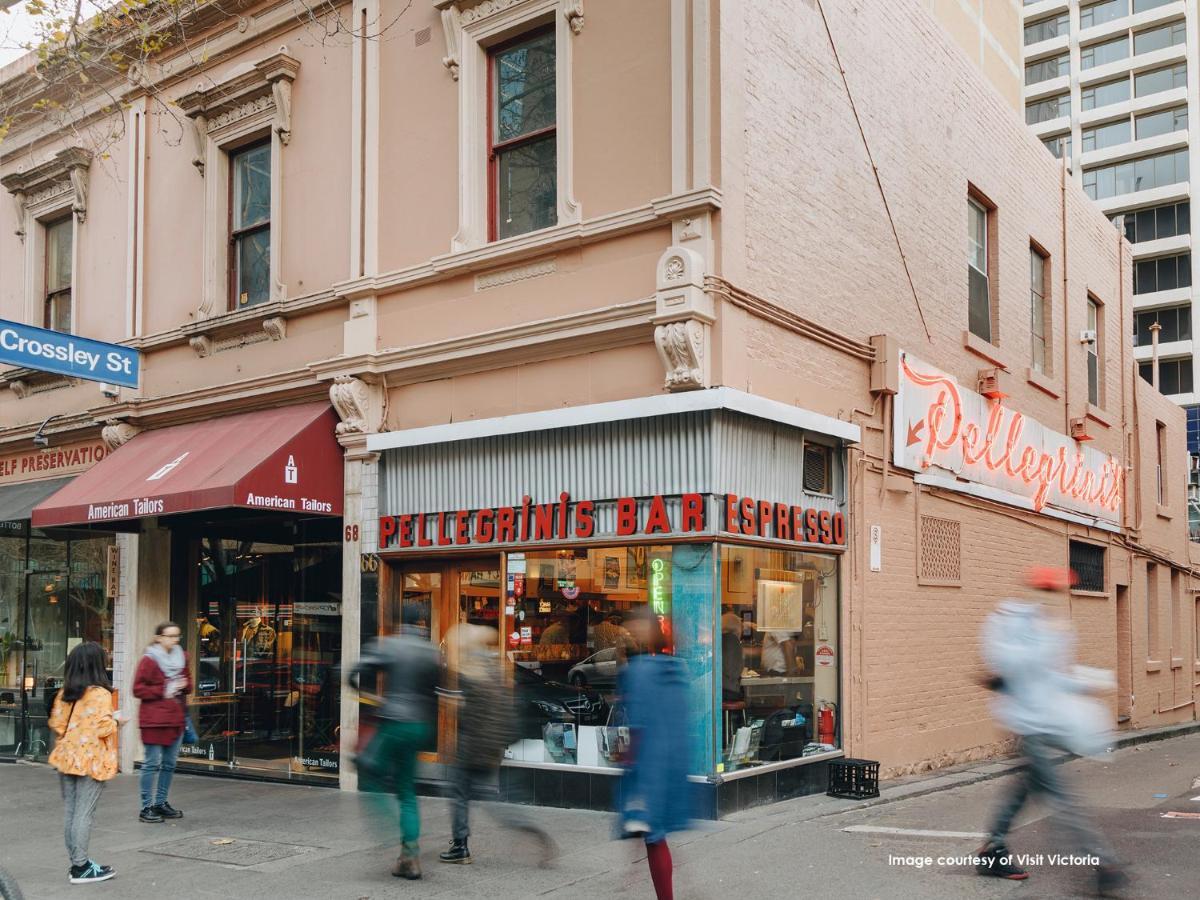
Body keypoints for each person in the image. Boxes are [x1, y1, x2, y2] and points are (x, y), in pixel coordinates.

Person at [977, 566, 1127, 894]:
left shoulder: (1052, 629)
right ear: (1034, 590)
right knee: (1061, 795)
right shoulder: (1008, 622)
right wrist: (1046, 638)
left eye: (1057, 591)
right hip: (1025, 724)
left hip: (1047, 720)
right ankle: (1102, 863)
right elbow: (1009, 665)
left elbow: (1052, 676)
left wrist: (1084, 683)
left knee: (1024, 787)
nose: (1053, 597)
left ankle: (992, 848)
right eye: (1048, 591)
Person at [438, 623, 556, 866]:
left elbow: (454, 707)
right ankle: (528, 827)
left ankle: (460, 847)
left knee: (459, 794)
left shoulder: (466, 671)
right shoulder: (494, 669)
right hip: (492, 745)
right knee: (492, 799)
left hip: (471, 745)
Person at [350, 603, 440, 880]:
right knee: (407, 790)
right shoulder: (432, 651)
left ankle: (390, 831)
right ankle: (409, 853)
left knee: (368, 774)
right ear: (422, 622)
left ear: (400, 620)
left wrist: (369, 697)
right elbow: (440, 688)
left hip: (393, 723)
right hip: (420, 726)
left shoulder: (387, 645)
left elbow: (350, 673)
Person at [618, 608, 692, 900]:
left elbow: (636, 724)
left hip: (648, 766)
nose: (629, 634)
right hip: (672, 761)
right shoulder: (675, 668)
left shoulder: (637, 671)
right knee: (653, 833)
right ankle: (639, 883)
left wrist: (627, 760)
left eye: (632, 629)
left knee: (652, 834)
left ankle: (663, 894)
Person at [48, 641, 124, 884]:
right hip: (91, 761)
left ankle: (77, 863)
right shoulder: (100, 694)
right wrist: (118, 721)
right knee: (84, 813)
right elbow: (103, 727)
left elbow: (57, 725)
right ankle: (81, 868)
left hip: (66, 758)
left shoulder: (64, 693)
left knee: (71, 812)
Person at [133, 621, 191, 824]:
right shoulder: (149, 660)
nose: (174, 640)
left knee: (169, 764)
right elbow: (137, 689)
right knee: (151, 764)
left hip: (175, 718)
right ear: (159, 637)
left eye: (177, 636)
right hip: (153, 720)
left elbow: (189, 684)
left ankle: (161, 802)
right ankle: (146, 806)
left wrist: (183, 685)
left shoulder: (182, 657)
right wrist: (164, 689)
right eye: (170, 636)